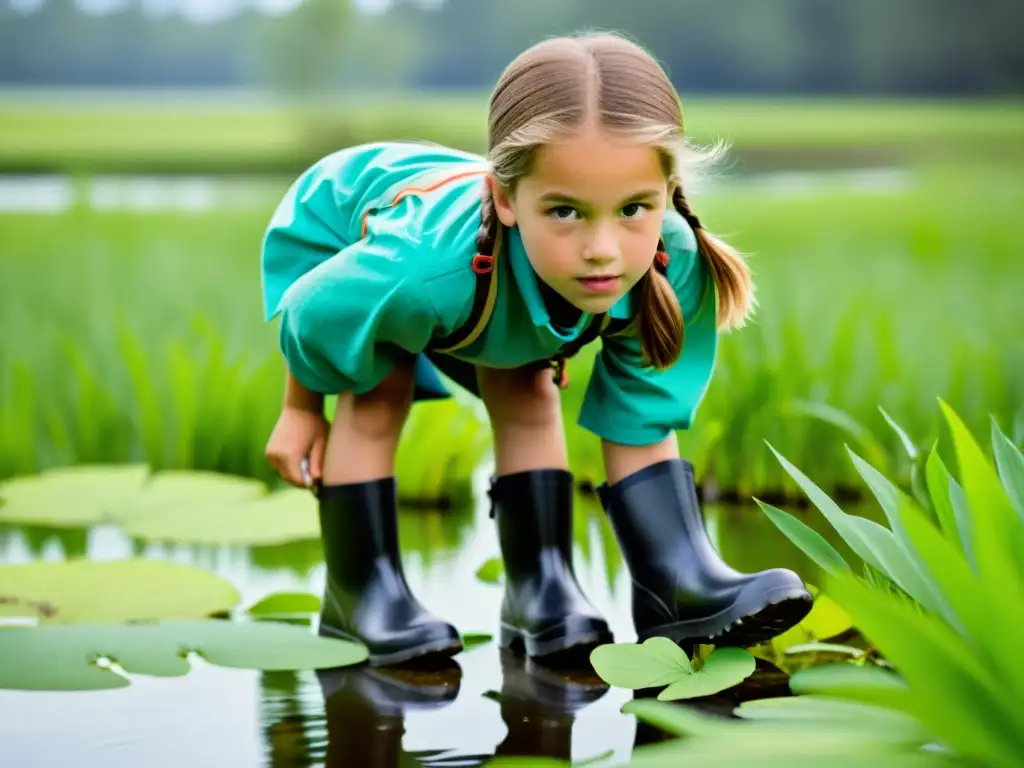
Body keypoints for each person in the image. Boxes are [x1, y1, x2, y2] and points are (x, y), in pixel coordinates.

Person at [260, 31, 812, 668]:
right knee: (378, 394)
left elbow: (641, 414)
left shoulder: (672, 258)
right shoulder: (413, 271)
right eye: (567, 213)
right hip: (344, 230)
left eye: (634, 207)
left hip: (488, 273)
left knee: (527, 387)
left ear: (667, 192)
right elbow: (315, 313)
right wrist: (302, 408)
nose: (603, 248)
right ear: (505, 198)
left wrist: (681, 577)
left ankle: (616, 590)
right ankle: (360, 599)